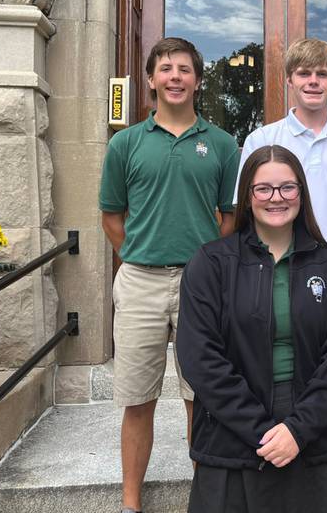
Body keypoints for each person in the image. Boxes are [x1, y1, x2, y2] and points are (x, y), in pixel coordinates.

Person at [99, 37, 239, 513]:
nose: (175, 76)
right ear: (152, 79)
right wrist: (140, 254)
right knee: (138, 399)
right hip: (139, 282)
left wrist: (203, 266)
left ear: (198, 80)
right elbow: (111, 217)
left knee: (201, 398)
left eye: (184, 69)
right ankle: (131, 503)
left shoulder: (221, 144)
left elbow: (229, 218)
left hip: (202, 287)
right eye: (165, 68)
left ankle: (205, 500)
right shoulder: (126, 143)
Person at [178, 145, 327, 512]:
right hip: (232, 436)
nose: (277, 198)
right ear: (247, 196)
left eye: (288, 187)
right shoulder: (211, 263)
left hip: (311, 439)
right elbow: (199, 358)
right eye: (264, 189)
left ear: (302, 194)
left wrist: (297, 430)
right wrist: (261, 431)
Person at [235, 38, 327, 457]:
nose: (313, 82)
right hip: (273, 270)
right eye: (304, 74)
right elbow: (249, 207)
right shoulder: (263, 139)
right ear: (289, 81)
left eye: (322, 74)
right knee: (275, 374)